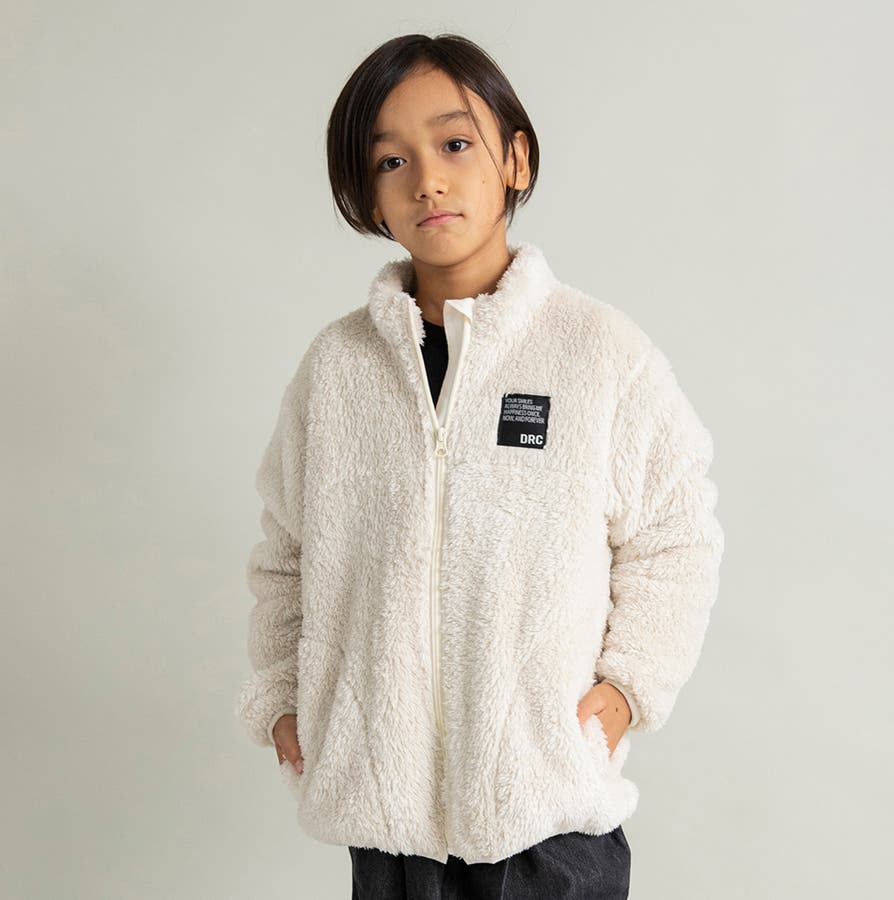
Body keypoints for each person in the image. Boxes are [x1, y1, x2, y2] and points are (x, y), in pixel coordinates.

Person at [236, 32, 725, 900]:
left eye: (456, 144)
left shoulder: (598, 354)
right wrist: (282, 697)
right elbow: (287, 551)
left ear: (515, 159)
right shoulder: (338, 370)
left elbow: (676, 535)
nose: (427, 179)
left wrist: (626, 689)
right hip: (387, 825)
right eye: (391, 160)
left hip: (545, 817)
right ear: (369, 195)